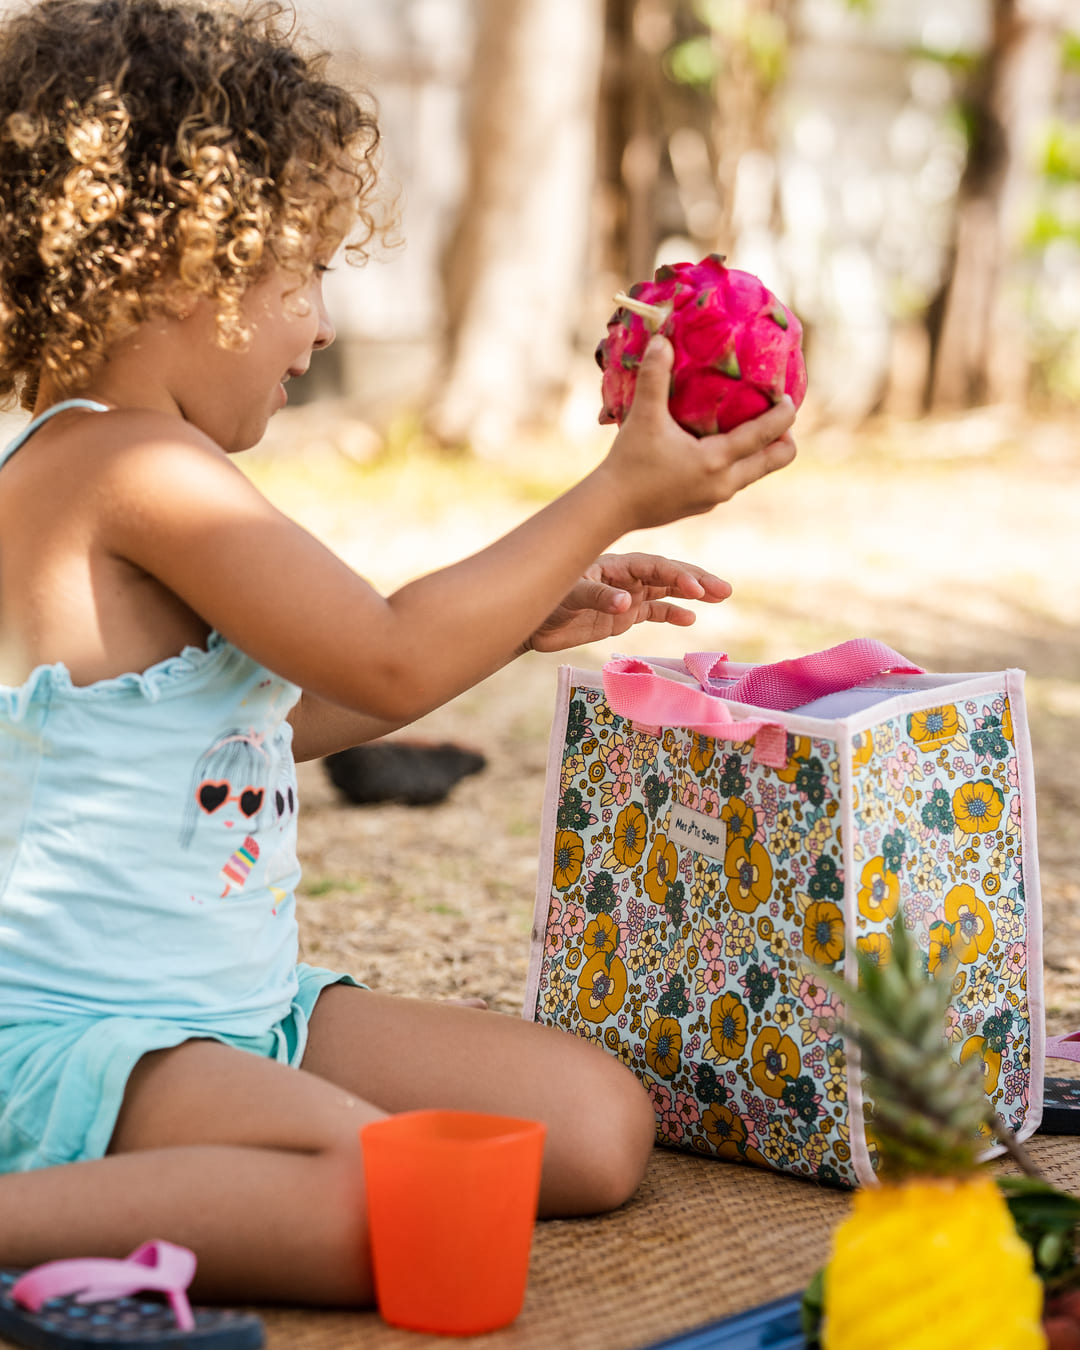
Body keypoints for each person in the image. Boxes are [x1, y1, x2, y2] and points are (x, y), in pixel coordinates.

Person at [0, 0, 798, 1309]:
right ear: (179, 266)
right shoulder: (124, 463)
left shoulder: (128, 462)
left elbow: (254, 723)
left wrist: (517, 619)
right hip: (74, 1037)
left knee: (593, 1126)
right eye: (301, 272)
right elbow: (382, 657)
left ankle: (235, 1148)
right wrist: (611, 495)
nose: (320, 326)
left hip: (237, 1009)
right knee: (393, 1202)